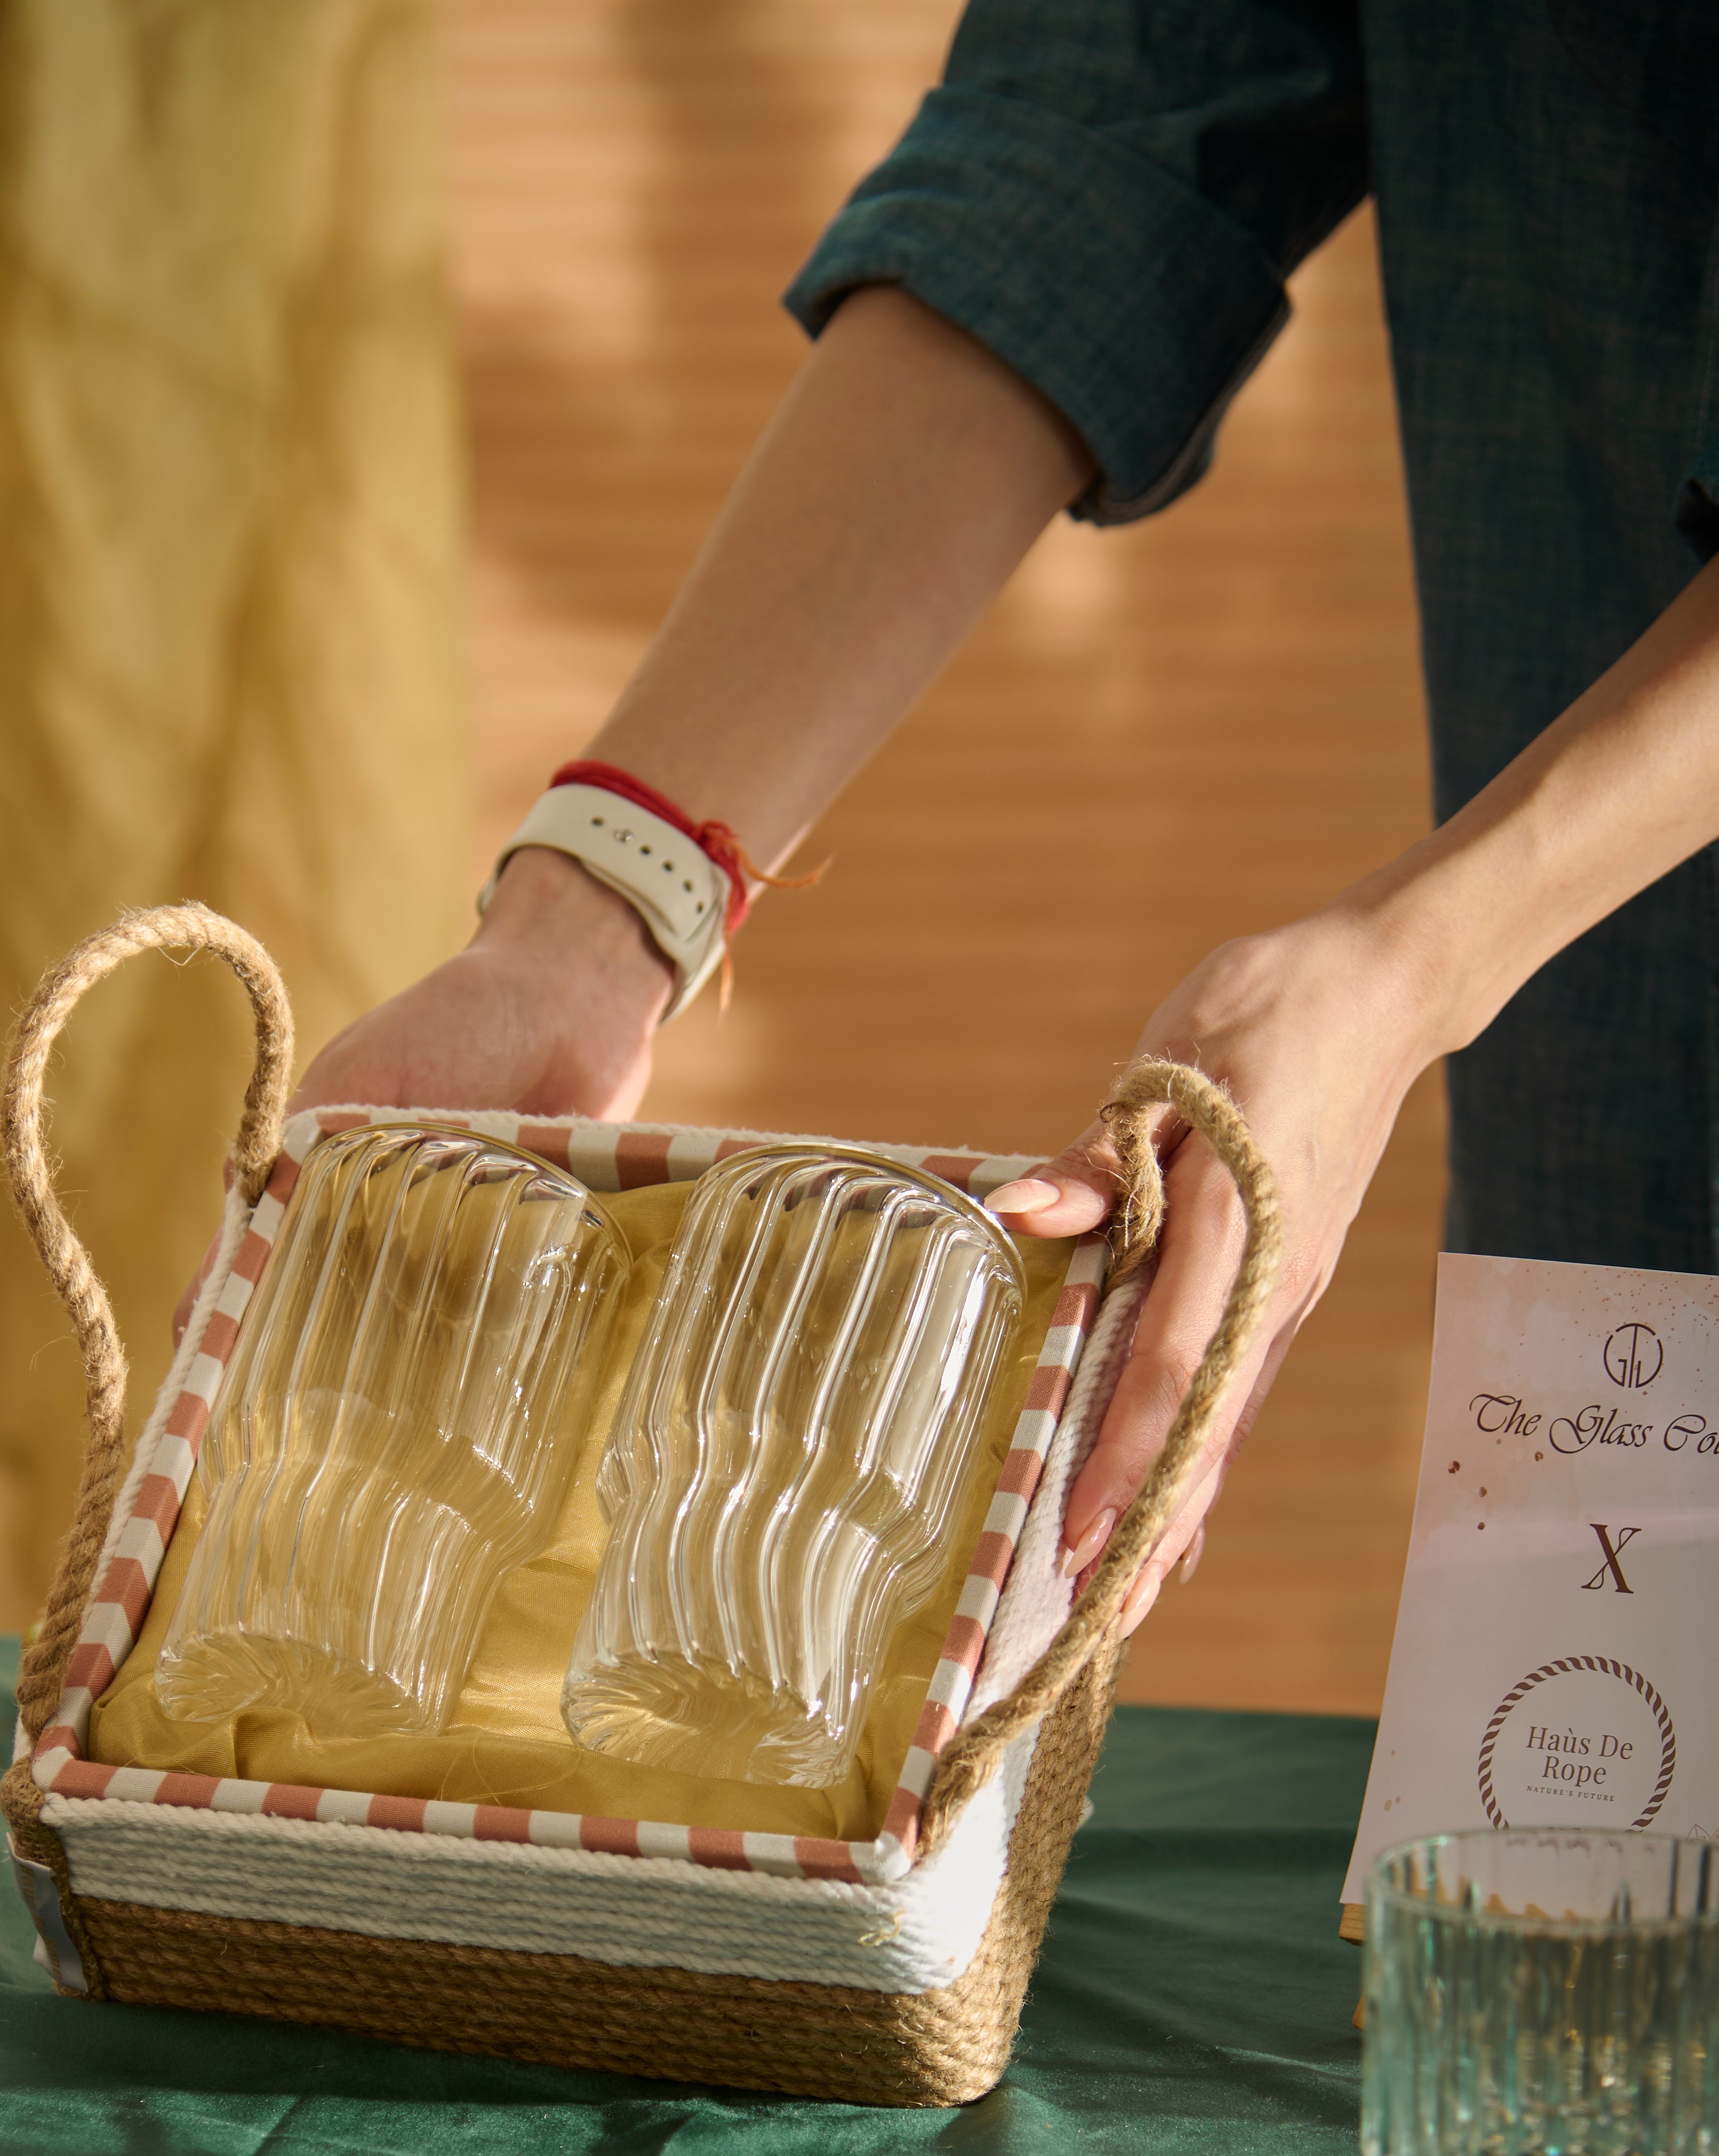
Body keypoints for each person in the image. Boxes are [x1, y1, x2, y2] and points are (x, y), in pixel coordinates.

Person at [292, 4, 1719, 1635]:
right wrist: (589, 922)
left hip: (1571, 1018)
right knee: (1589, 1832)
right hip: (1608, 1192)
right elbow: (1090, 137)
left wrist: (1413, 963)